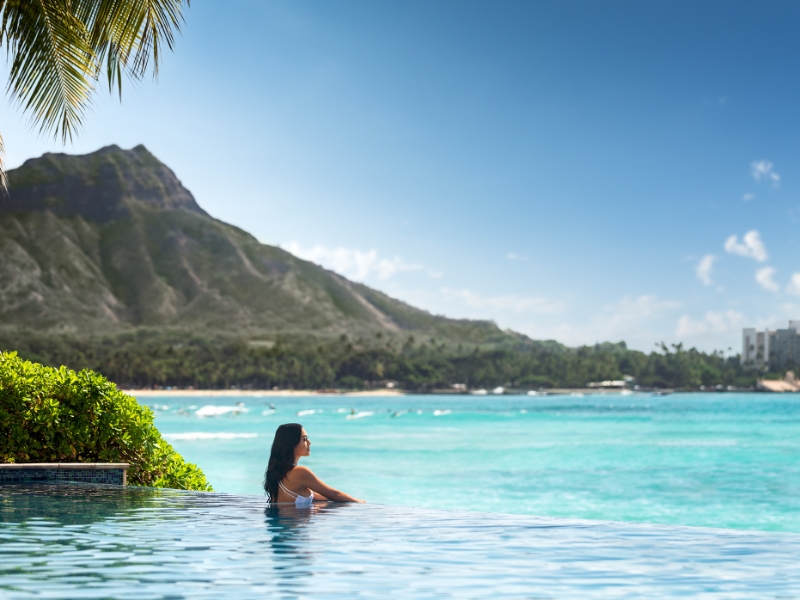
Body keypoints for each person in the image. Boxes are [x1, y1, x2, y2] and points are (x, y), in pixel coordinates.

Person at [264, 423, 365, 505]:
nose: (309, 442)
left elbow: (321, 495)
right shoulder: (300, 472)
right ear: (291, 443)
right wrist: (359, 502)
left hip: (283, 526)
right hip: (294, 527)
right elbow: (334, 495)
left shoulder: (279, 472)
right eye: (304, 439)